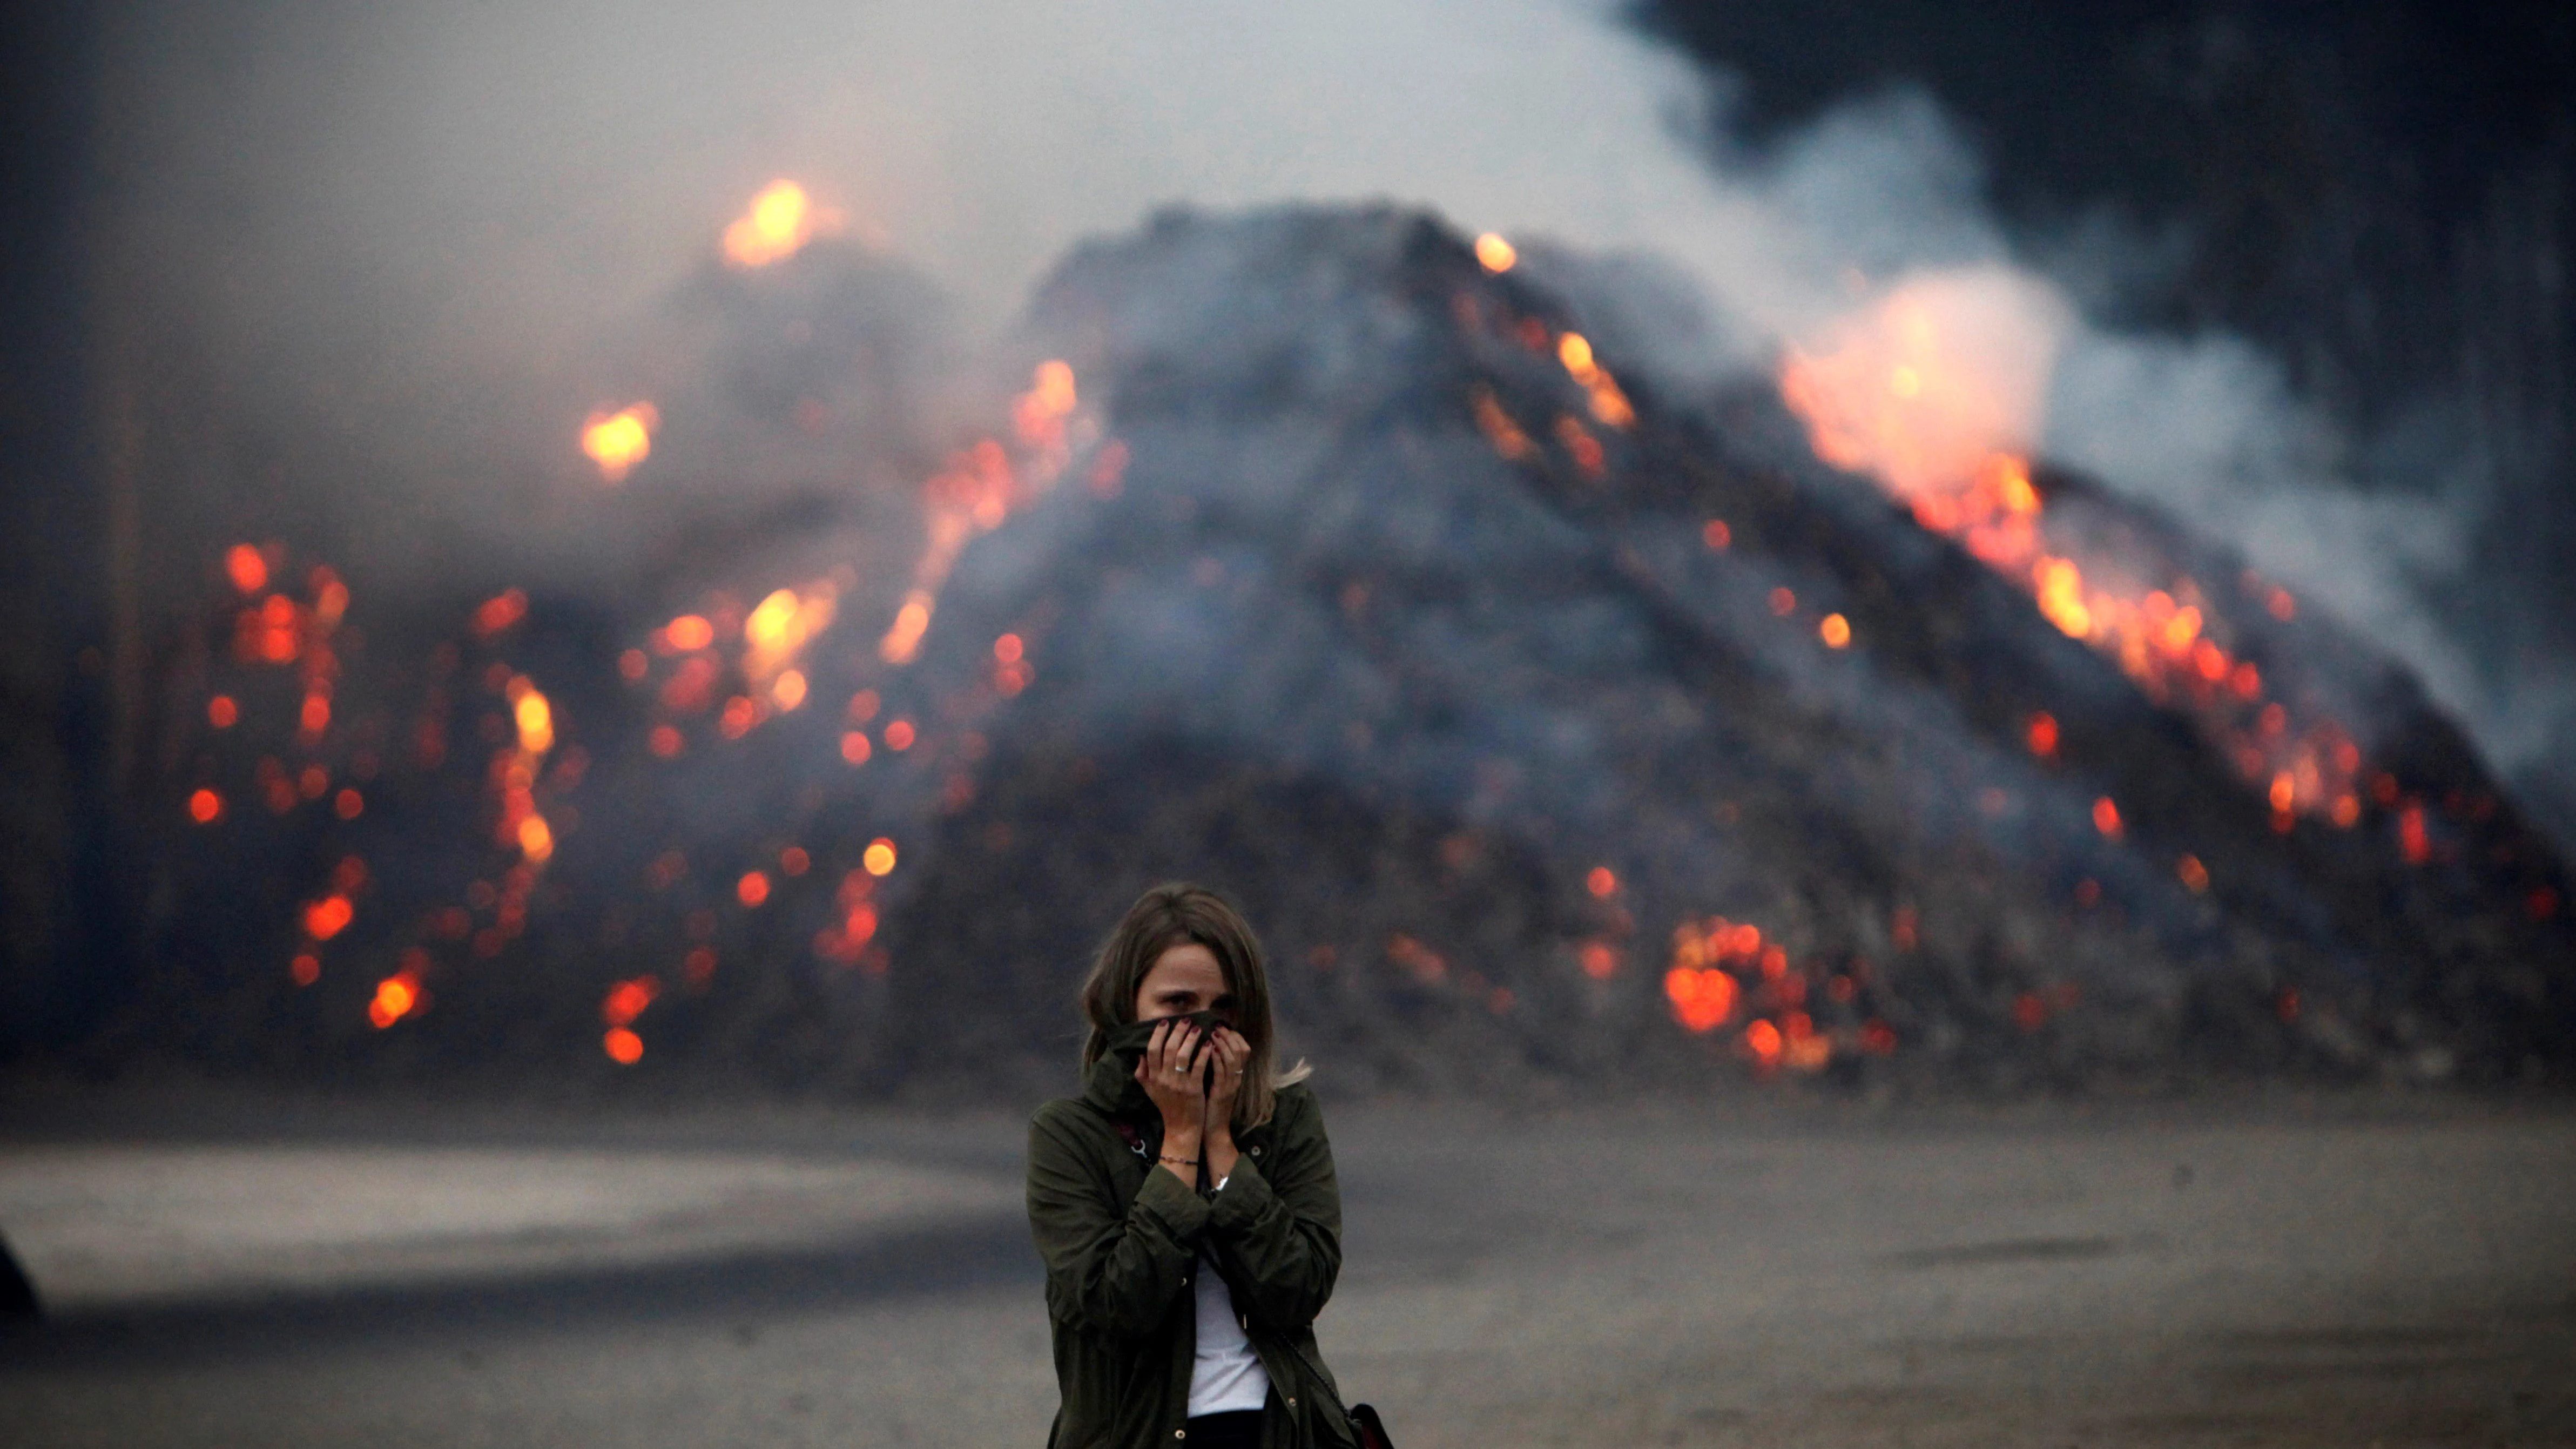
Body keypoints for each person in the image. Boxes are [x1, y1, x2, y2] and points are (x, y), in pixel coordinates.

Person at [1026, 882, 1359, 1449]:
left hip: (1278, 1431)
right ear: (1125, 1005)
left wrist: (1223, 1147)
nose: (1202, 1029)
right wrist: (1180, 1140)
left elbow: (1299, 1287)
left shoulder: (1285, 1117)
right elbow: (1118, 1303)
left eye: (1224, 1009)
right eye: (1177, 1005)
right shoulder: (1071, 1135)